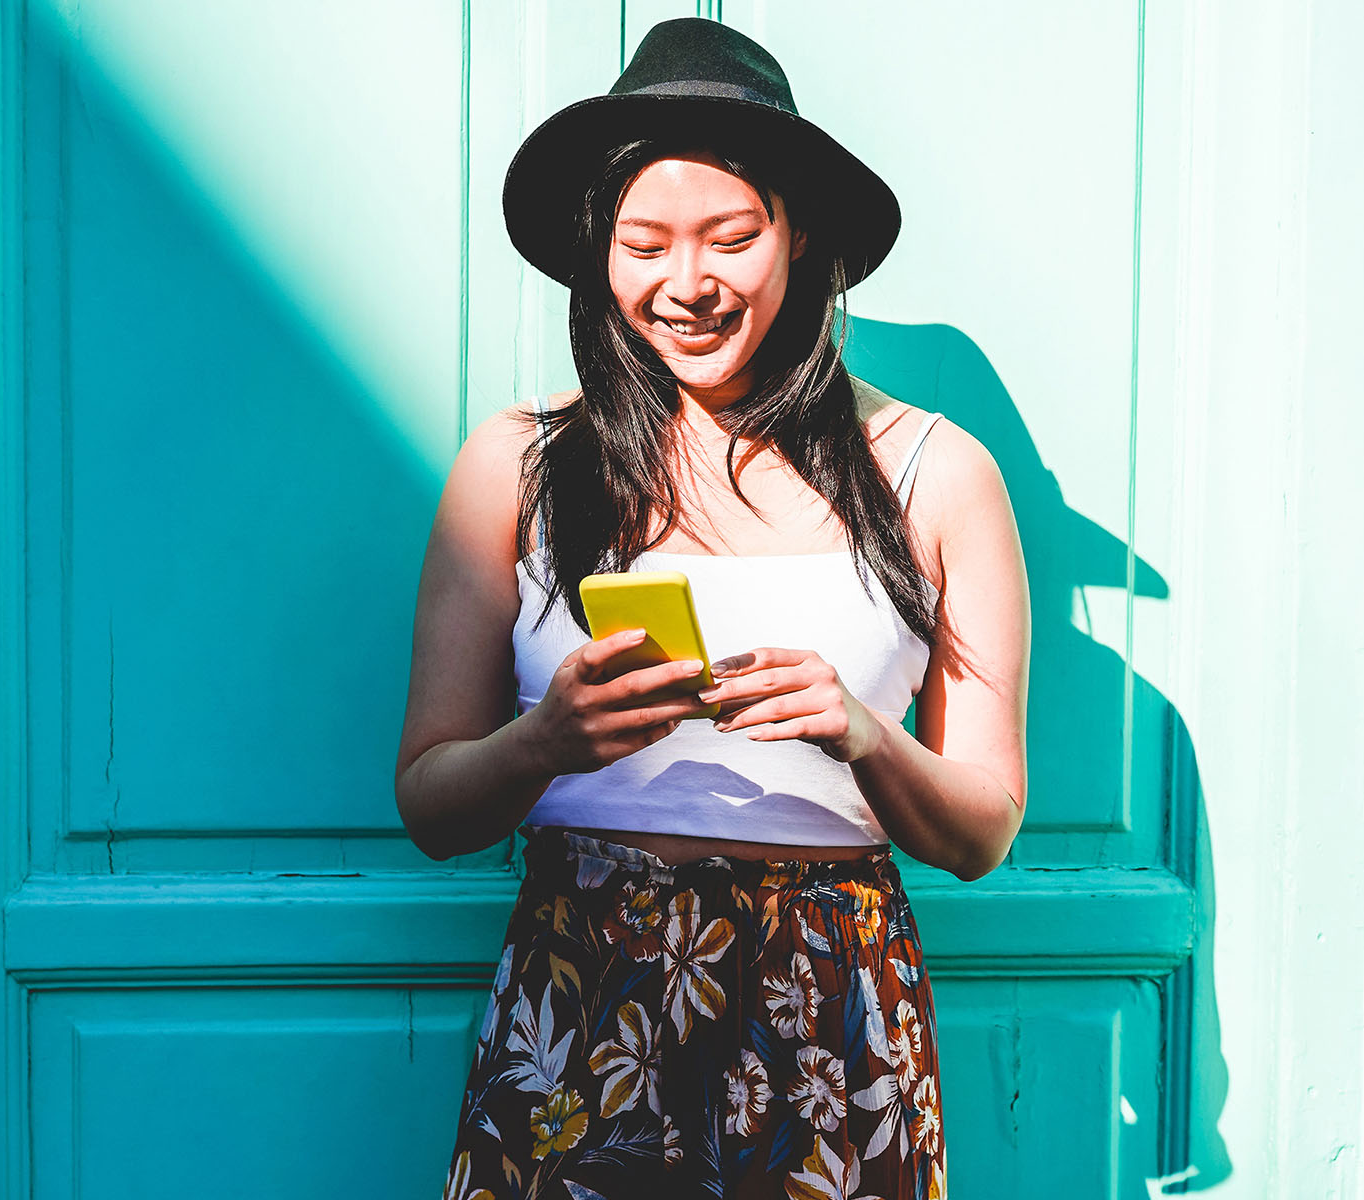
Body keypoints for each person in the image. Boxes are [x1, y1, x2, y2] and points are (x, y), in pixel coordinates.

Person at [397, 18, 1029, 1200]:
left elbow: (983, 830)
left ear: (801, 239)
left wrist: (858, 730)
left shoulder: (939, 475)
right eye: (642, 245)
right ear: (600, 256)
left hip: (832, 1019)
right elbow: (430, 803)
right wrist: (546, 741)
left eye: (731, 238)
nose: (684, 285)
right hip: (580, 1000)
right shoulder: (517, 466)